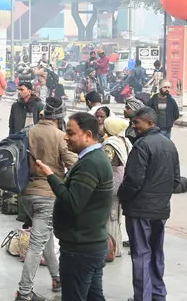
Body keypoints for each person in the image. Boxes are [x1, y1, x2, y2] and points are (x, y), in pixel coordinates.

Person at [32, 112, 113, 301]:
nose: (65, 137)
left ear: (88, 135)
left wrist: (50, 176)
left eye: (70, 132)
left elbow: (71, 203)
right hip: (90, 243)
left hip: (81, 249)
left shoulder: (90, 164)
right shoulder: (91, 159)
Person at [14, 98, 77, 301]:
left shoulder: (28, 131)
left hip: (27, 194)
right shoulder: (60, 136)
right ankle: (24, 293)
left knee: (46, 238)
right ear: (60, 116)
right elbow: (73, 164)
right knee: (36, 245)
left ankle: (57, 277)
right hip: (48, 195)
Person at [119, 107, 181, 301]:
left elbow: (133, 181)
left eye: (137, 122)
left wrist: (122, 197)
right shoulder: (169, 145)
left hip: (140, 210)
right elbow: (176, 180)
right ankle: (157, 294)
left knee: (141, 255)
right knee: (155, 253)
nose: (134, 126)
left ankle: (143, 297)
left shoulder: (142, 146)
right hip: (160, 210)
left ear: (150, 123)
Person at [101, 116, 132, 258]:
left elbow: (104, 164)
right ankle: (116, 248)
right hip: (121, 182)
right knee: (116, 216)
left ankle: (110, 250)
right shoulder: (124, 141)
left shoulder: (110, 144)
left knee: (110, 217)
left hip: (111, 185)